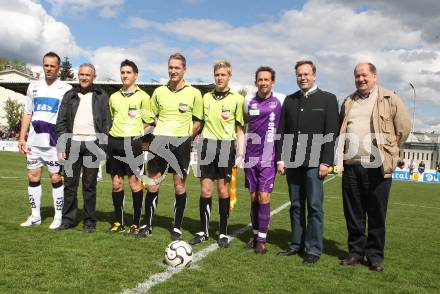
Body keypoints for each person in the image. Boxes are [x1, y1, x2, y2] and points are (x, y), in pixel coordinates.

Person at [336, 63, 410, 272]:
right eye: (357, 76)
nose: (361, 79)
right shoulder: (348, 101)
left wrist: (389, 150)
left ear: (374, 76)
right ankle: (355, 253)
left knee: (377, 214)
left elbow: (403, 128)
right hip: (352, 166)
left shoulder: (390, 98)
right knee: (354, 213)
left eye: (365, 75)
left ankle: (375, 256)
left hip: (377, 167)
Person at [276, 60, 339, 264]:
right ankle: (296, 244)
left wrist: (326, 161)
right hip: (293, 162)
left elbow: (331, 134)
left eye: (306, 74)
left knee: (314, 206)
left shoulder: (328, 99)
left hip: (315, 162)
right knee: (295, 206)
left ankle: (313, 249)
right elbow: (282, 132)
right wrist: (281, 159)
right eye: (299, 75)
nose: (302, 78)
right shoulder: (290, 100)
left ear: (314, 75)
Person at [139, 53, 203, 241]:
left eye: (177, 68)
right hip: (159, 143)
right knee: (153, 184)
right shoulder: (158, 92)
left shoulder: (194, 93)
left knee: (179, 185)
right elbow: (152, 118)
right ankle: (147, 225)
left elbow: (198, 121)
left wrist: (185, 137)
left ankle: (176, 228)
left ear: (184, 69)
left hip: (181, 144)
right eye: (171, 67)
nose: (173, 71)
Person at [188, 60, 245, 248]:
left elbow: (240, 129)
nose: (219, 78)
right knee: (205, 190)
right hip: (206, 146)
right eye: (217, 75)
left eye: (223, 75)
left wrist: (240, 153)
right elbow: (198, 124)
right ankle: (204, 231)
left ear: (229, 76)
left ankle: (222, 232)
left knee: (223, 191)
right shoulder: (206, 98)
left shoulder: (237, 99)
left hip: (226, 147)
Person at [18, 52, 72, 229]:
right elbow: (27, 113)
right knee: (32, 176)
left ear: (58, 68)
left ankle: (58, 216)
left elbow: (69, 117)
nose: (49, 68)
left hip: (54, 142)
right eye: (46, 65)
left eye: (52, 66)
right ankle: (35, 216)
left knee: (55, 177)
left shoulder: (66, 89)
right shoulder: (33, 86)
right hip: (34, 141)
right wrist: (21, 137)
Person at [55, 63, 110, 232]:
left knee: (89, 185)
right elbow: (61, 121)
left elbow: (107, 122)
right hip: (73, 144)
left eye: (88, 75)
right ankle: (68, 219)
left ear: (94, 77)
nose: (84, 77)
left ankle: (89, 221)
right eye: (81, 74)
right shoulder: (69, 95)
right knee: (70, 184)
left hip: (93, 145)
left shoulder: (101, 95)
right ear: (78, 76)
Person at [107, 59, 153, 236]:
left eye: (128, 72)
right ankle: (119, 221)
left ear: (136, 75)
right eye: (122, 72)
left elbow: (149, 122)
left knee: (135, 183)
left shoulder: (143, 96)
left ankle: (135, 223)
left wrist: (137, 135)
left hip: (133, 145)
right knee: (116, 184)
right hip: (115, 143)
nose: (125, 75)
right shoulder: (114, 97)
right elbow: (113, 118)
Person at [243, 66, 283, 254]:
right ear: (256, 81)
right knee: (253, 197)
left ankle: (262, 240)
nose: (263, 83)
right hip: (250, 157)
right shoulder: (248, 102)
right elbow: (243, 126)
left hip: (268, 157)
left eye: (267, 79)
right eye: (260, 79)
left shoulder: (279, 102)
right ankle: (255, 233)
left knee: (264, 196)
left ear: (272, 82)